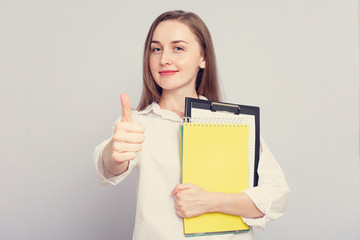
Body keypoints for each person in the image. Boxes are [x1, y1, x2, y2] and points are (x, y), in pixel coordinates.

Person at [93, 10, 290, 240]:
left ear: (203, 58)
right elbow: (106, 168)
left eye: (178, 48)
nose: (164, 58)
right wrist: (113, 154)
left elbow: (276, 197)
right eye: (156, 49)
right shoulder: (137, 124)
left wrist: (211, 201)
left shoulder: (233, 123)